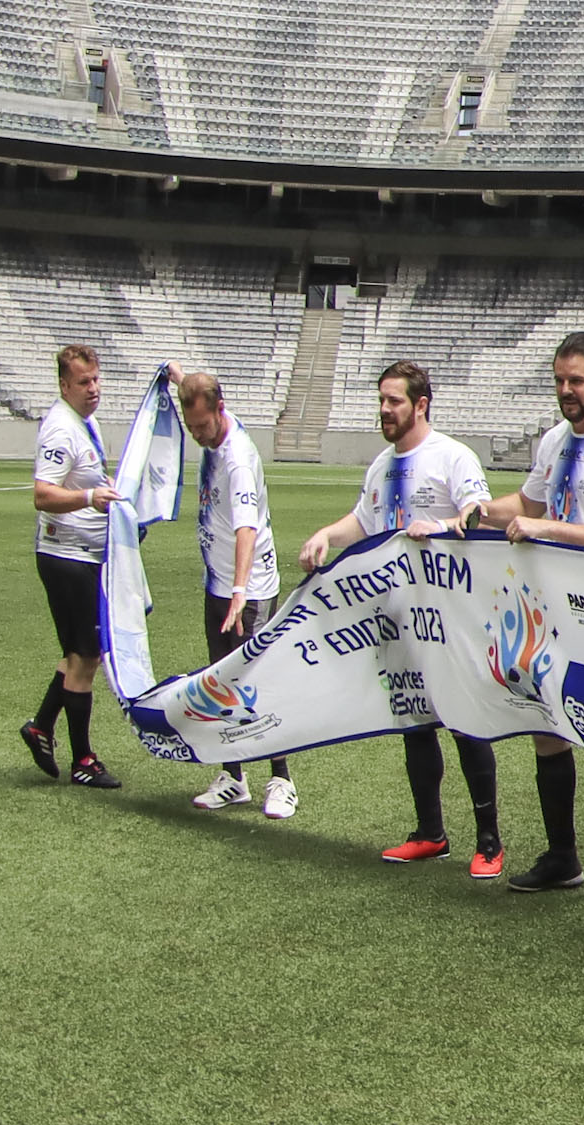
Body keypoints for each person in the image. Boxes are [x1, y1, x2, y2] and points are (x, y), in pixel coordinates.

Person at [296, 359, 496, 872]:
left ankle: (489, 842)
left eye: (394, 401)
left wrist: (449, 523)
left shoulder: (451, 456)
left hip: (448, 619)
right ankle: (431, 832)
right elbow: (364, 521)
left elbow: (481, 512)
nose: (384, 410)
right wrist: (326, 534)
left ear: (420, 404)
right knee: (414, 722)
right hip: (394, 620)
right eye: (381, 400)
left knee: (466, 723)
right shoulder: (382, 465)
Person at [474, 332, 584, 900]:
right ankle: (562, 857)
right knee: (547, 728)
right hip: (547, 606)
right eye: (559, 380)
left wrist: (544, 528)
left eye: (577, 380)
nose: (567, 391)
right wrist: (477, 511)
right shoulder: (554, 441)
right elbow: (526, 505)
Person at [175, 368, 292, 820]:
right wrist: (177, 377)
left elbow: (246, 528)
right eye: (192, 428)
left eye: (202, 426)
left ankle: (281, 778)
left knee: (256, 683)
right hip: (219, 582)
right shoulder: (215, 421)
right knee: (219, 682)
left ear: (219, 411)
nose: (198, 434)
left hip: (249, 588)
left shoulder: (237, 460)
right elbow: (196, 388)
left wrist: (241, 592)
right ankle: (234, 777)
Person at [23, 342, 119, 789]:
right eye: (84, 381)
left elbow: (88, 478)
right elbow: (43, 494)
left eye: (96, 379)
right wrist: (88, 498)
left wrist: (105, 489)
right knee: (87, 657)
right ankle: (84, 759)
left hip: (76, 555)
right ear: (65, 385)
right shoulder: (61, 428)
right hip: (69, 558)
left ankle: (41, 726)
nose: (93, 388)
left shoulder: (83, 420)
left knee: (76, 655)